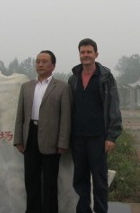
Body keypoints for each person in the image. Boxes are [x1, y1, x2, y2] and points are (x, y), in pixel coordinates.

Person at [68, 38, 122, 213]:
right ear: (79, 55)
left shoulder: (105, 78)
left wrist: (111, 136)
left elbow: (113, 106)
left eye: (89, 52)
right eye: (82, 52)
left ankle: (100, 210)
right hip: (77, 137)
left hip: (98, 137)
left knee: (99, 180)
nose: (85, 55)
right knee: (80, 180)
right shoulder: (73, 79)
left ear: (96, 54)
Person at [14, 50, 72, 213]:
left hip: (51, 140)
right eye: (38, 61)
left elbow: (66, 117)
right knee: (31, 180)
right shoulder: (26, 87)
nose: (40, 64)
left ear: (53, 65)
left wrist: (62, 142)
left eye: (45, 61)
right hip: (30, 136)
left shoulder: (62, 87)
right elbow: (20, 115)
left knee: (50, 182)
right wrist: (18, 138)